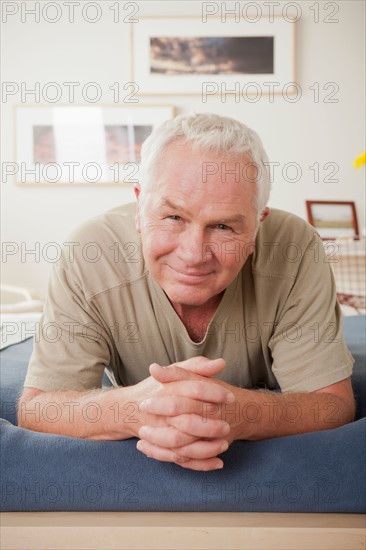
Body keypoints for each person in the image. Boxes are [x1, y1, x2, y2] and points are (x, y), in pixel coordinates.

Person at [18, 113, 355, 471]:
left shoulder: (295, 247)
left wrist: (242, 414)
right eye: (174, 218)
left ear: (258, 226)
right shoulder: (90, 252)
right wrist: (136, 408)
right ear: (139, 208)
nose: (194, 254)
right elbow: (37, 408)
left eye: (223, 226)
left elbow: (332, 405)